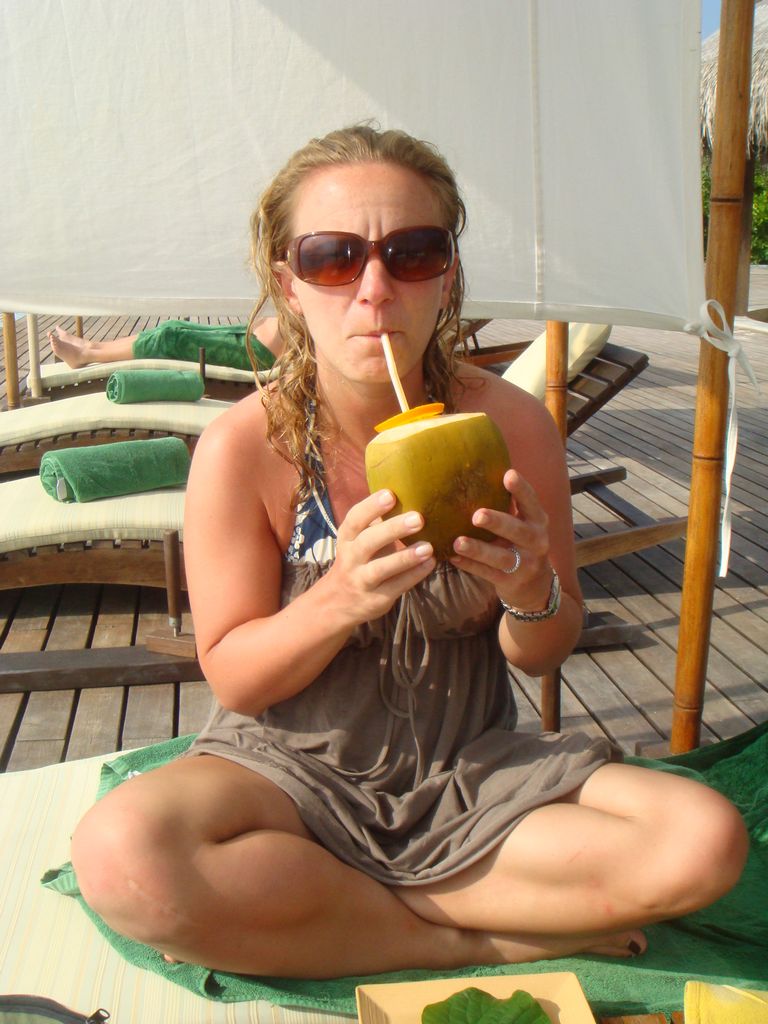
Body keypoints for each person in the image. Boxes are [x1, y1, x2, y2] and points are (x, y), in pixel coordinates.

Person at [70, 125, 748, 980]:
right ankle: (467, 938)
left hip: (470, 771)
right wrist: (340, 596)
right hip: (284, 777)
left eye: (412, 253)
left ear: (447, 276)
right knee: (124, 854)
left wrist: (530, 589)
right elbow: (236, 677)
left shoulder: (508, 426)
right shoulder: (246, 449)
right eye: (332, 258)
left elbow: (544, 649)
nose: (375, 289)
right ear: (288, 283)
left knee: (703, 841)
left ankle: (325, 911)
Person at [46, 316, 281, 373]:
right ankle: (92, 346)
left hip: (257, 354)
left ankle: (86, 355)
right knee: (171, 326)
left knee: (171, 337)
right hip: (251, 336)